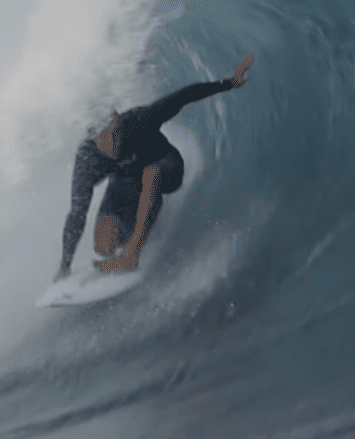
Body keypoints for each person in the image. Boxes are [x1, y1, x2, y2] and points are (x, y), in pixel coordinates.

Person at [57, 55, 255, 280]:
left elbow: (184, 96)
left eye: (114, 133)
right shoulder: (88, 159)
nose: (112, 142)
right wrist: (65, 265)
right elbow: (77, 213)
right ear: (92, 138)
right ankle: (146, 226)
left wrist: (231, 82)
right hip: (128, 183)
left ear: (116, 121)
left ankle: (132, 256)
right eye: (103, 138)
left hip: (166, 167)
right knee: (104, 245)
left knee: (151, 174)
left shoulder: (139, 120)